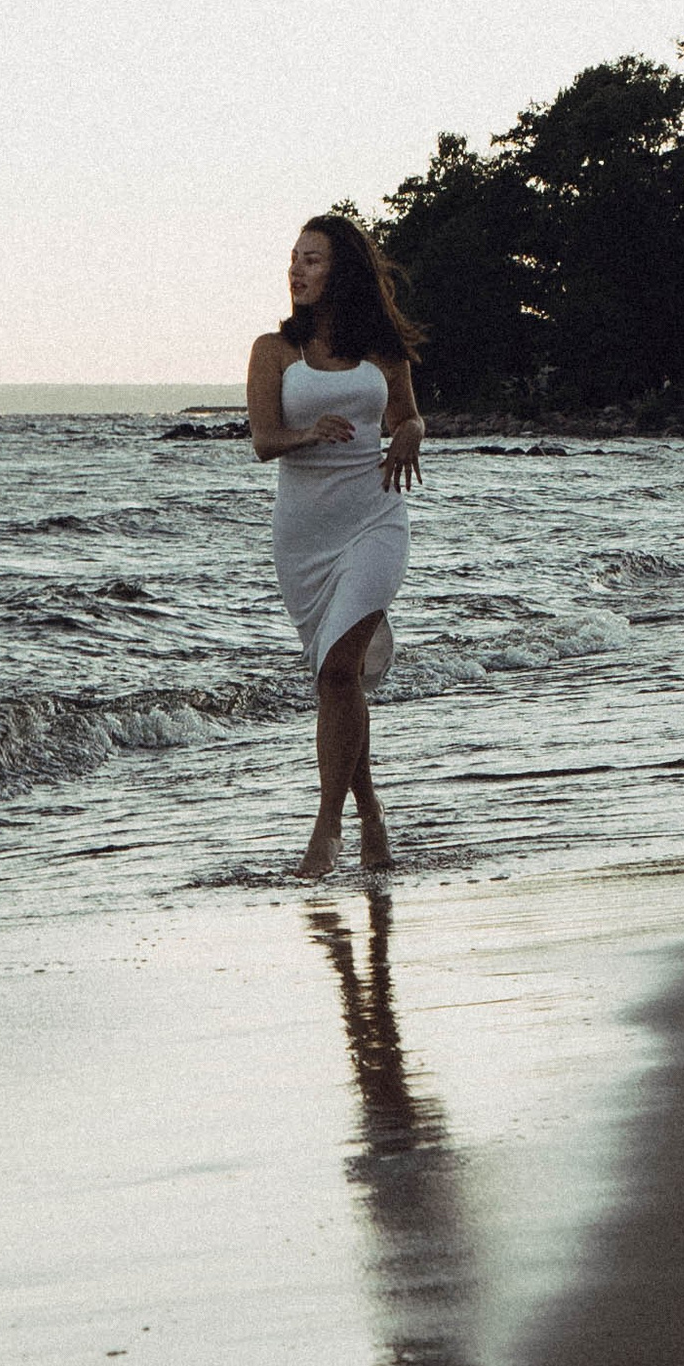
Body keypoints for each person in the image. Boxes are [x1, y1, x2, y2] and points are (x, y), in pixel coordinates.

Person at [246, 214, 426, 876]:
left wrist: (412, 431)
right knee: (336, 681)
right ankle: (372, 814)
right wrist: (308, 435)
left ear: (341, 270)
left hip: (375, 520)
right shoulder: (274, 351)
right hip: (304, 539)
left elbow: (406, 415)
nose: (296, 270)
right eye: (293, 258)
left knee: (338, 671)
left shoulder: (383, 351)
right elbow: (265, 440)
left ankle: (325, 833)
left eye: (312, 260)